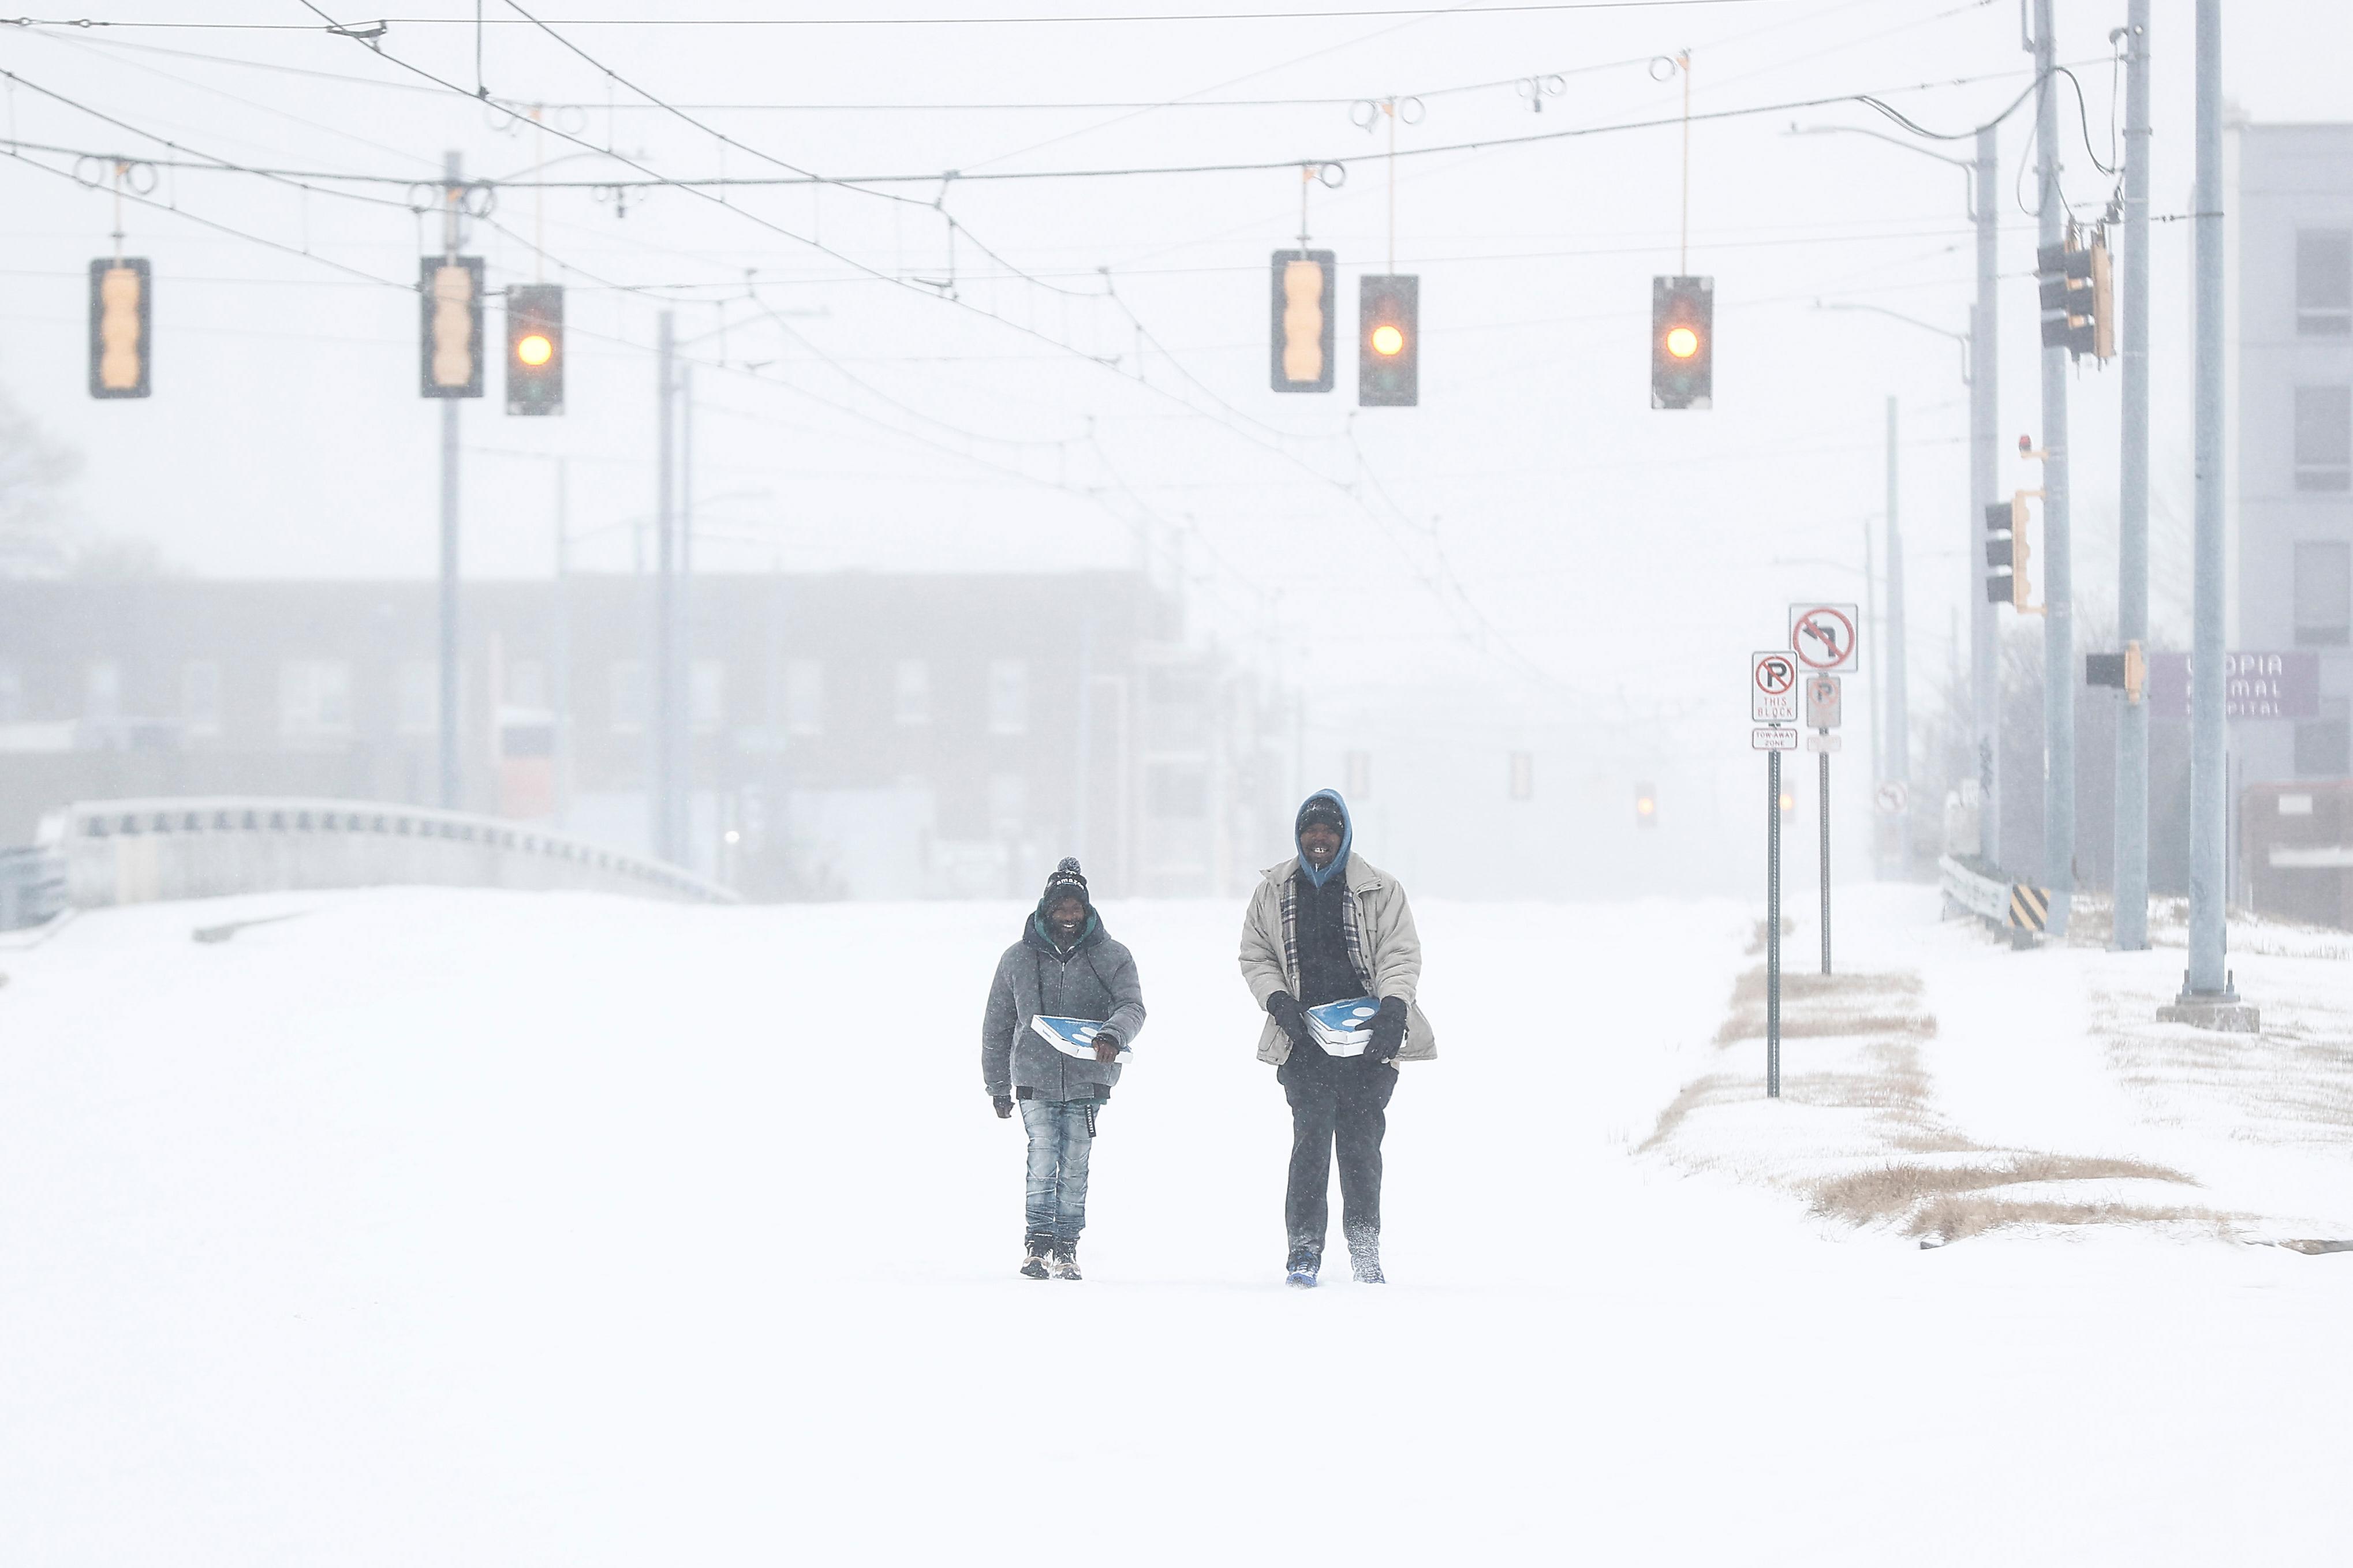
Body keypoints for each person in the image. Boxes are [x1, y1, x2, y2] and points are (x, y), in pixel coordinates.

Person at [1238, 789, 1435, 1288]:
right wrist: (1279, 1002)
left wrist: (1394, 1008)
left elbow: (1400, 953)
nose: (1319, 839)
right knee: (1310, 1144)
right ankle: (1304, 1247)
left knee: (1362, 1146)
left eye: (1329, 829)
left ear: (1344, 834)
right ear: (1300, 835)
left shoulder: (1381, 889)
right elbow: (1256, 954)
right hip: (1303, 1043)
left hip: (1369, 1044)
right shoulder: (1274, 891)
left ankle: (1365, 1246)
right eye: (1311, 830)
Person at [981, 858, 1146, 1282]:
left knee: (1075, 1160)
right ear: (1046, 909)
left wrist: (1113, 1035)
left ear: (1087, 910)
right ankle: (1037, 1243)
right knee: (1041, 1157)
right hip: (1034, 1079)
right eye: (1062, 909)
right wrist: (998, 1085)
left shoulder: (1112, 957)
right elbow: (997, 1025)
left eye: (1076, 909)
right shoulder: (1017, 959)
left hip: (1088, 1080)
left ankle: (1068, 1245)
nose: (1069, 917)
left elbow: (1132, 1006)